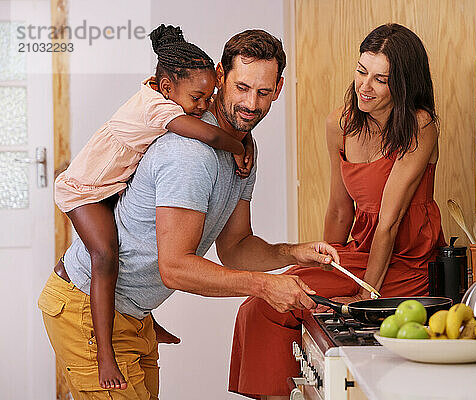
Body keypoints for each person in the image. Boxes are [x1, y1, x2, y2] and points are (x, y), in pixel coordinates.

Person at [39, 29, 337, 400]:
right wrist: (264, 286)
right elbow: (175, 267)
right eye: (241, 88)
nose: (251, 104)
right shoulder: (190, 155)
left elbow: (236, 247)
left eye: (263, 92)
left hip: (133, 315)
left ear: (278, 89)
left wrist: (294, 253)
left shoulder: (243, 147)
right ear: (220, 77)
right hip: (86, 309)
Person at [229, 23, 446, 399]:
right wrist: (321, 264)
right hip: (360, 252)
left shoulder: (419, 125)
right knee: (261, 306)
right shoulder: (341, 123)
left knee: (276, 305)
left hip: (407, 259)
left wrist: (368, 294)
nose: (365, 85)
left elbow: (390, 222)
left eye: (381, 79)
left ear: (405, 84)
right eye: (362, 71)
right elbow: (339, 211)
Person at [51, 24, 256, 391]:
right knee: (105, 253)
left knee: (134, 231)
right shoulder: (160, 111)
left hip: (110, 186)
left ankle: (138, 314)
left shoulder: (171, 97)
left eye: (209, 97)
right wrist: (242, 146)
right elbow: (209, 134)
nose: (203, 106)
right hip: (82, 190)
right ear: (166, 88)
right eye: (198, 97)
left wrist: (247, 138)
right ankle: (105, 355)